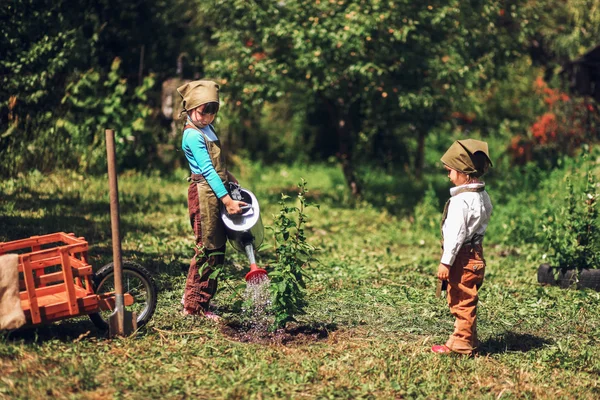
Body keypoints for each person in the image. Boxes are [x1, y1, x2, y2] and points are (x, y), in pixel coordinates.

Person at [177, 80, 247, 320]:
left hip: (216, 189)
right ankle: (193, 306)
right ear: (190, 107)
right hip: (204, 193)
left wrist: (232, 180)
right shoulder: (192, 136)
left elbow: (219, 166)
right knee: (207, 248)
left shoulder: (207, 129)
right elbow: (207, 170)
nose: (207, 117)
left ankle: (198, 299)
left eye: (212, 112)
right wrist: (227, 201)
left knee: (217, 247)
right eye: (202, 111)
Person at [432, 139, 493, 355]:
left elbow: (456, 235)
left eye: (450, 171)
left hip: (462, 256)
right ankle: (470, 339)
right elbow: (487, 212)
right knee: (469, 296)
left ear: (463, 172)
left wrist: (445, 262)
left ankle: (460, 344)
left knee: (461, 299)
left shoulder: (460, 202)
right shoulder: (481, 195)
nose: (448, 176)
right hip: (476, 252)